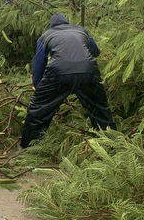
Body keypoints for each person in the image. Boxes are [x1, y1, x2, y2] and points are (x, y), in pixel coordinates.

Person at [21, 13, 116, 148]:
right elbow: (95, 52)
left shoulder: (46, 35)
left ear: (52, 25)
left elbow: (39, 64)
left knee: (39, 109)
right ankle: (113, 144)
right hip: (87, 70)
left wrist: (38, 85)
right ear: (67, 22)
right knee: (100, 108)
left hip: (58, 71)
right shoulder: (81, 30)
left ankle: (28, 147)